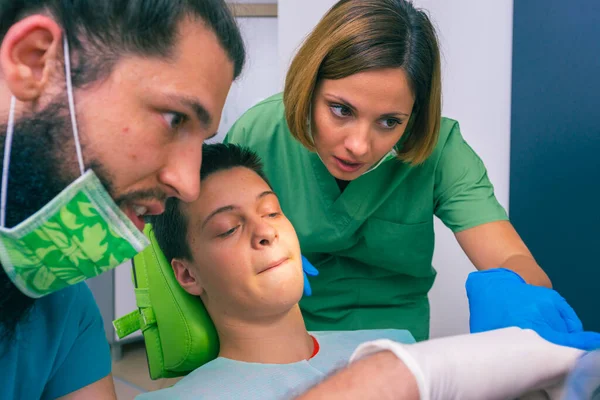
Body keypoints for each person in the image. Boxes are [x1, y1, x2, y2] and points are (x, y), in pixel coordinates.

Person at [224, 0, 600, 349]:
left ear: (416, 114)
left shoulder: (441, 151)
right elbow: (205, 238)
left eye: (389, 121)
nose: (358, 145)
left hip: (392, 339)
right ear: (310, 84)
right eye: (340, 110)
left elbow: (513, 257)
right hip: (277, 327)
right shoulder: (260, 133)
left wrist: (518, 291)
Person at [141, 143, 584, 400]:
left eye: (272, 212)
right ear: (187, 275)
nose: (265, 233)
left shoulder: (392, 348)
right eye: (228, 228)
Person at [0, 1, 245, 398]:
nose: (188, 185)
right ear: (35, 61)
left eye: (202, 141)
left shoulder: (61, 307)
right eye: (174, 119)